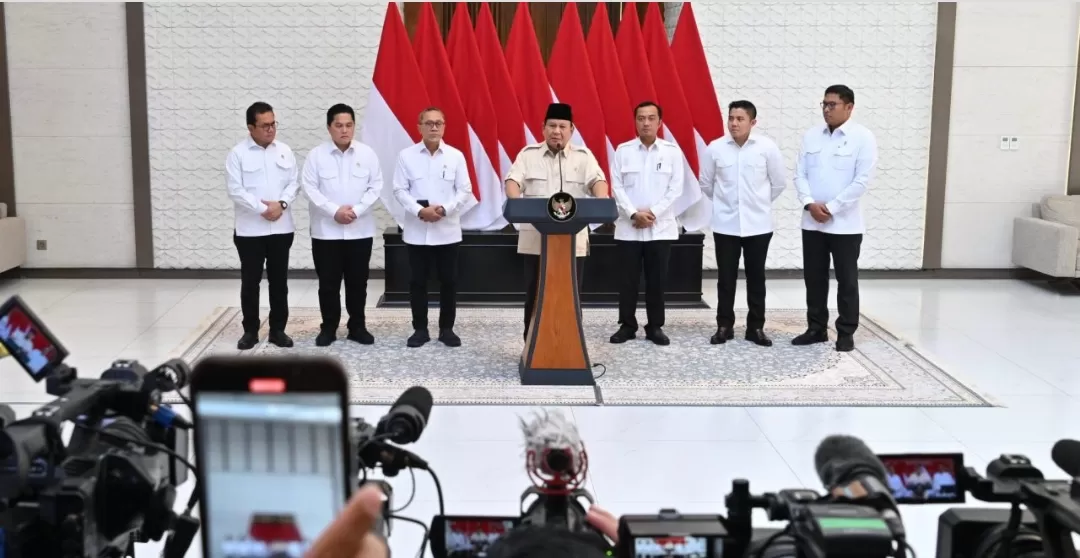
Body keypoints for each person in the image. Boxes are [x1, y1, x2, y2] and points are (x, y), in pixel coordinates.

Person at [505, 103, 610, 340]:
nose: (557, 131)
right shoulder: (528, 154)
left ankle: (571, 345)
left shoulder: (583, 156)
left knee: (571, 294)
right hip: (536, 240)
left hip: (573, 241)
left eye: (562, 126)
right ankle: (531, 344)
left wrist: (600, 197)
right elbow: (512, 181)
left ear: (571, 129)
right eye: (552, 125)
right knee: (534, 293)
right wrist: (516, 201)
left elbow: (598, 181)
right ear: (543, 128)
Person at [792, 85, 878, 352]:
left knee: (847, 280)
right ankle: (816, 328)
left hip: (845, 225)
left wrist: (830, 208)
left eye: (833, 105)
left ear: (849, 107)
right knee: (814, 278)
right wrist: (809, 204)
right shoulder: (811, 136)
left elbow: (861, 181)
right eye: (824, 104)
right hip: (812, 222)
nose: (827, 109)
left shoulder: (863, 137)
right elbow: (799, 174)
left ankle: (846, 331)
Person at [699, 100, 787, 347]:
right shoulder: (715, 148)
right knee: (725, 279)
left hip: (758, 225)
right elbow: (706, 183)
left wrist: (757, 204)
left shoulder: (766, 148)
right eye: (731, 118)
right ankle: (724, 326)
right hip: (725, 224)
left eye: (740, 119)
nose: (734, 123)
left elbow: (778, 182)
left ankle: (755, 328)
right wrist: (725, 204)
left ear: (753, 122)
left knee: (756, 278)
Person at [392, 107, 474, 348]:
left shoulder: (455, 156)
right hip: (417, 232)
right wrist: (419, 211)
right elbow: (399, 189)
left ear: (444, 126)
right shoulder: (406, 156)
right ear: (419, 127)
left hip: (447, 230)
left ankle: (447, 329)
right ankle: (420, 329)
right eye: (428, 123)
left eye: (438, 123)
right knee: (418, 282)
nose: (434, 127)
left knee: (449, 282)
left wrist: (444, 210)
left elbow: (465, 189)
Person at [302, 103, 382, 347]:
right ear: (329, 127)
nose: (344, 130)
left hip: (360, 231)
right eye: (339, 125)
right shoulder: (316, 155)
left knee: (358, 283)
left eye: (349, 125)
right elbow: (309, 188)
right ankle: (328, 328)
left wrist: (355, 211)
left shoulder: (367, 154)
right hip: (327, 232)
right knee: (328, 283)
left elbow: (375, 187)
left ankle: (357, 326)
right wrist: (334, 211)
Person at [226, 101, 300, 351]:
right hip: (250, 231)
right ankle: (250, 330)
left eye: (273, 124)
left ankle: (278, 329)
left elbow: (294, 183)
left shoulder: (285, 151)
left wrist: (281, 204)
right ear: (251, 127)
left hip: (281, 228)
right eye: (265, 125)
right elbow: (236, 190)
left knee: (280, 281)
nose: (271, 129)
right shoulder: (238, 154)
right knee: (251, 281)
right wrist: (263, 209)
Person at [608, 101, 683, 346]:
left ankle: (655, 327)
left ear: (660, 122)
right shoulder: (622, 150)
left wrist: (651, 213)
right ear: (635, 121)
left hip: (660, 229)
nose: (646, 123)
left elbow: (675, 189)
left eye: (651, 118)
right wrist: (633, 214)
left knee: (657, 281)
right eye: (641, 118)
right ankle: (627, 325)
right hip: (628, 228)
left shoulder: (671, 151)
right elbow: (616, 186)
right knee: (627, 280)